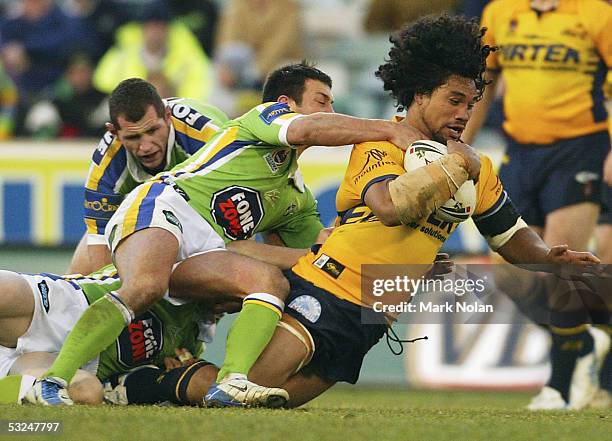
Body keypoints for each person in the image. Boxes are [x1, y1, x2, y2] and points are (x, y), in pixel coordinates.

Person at [206, 13, 602, 409]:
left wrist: (548, 257)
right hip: (328, 289)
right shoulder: (383, 143)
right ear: (420, 95)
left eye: (470, 103)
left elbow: (509, 235)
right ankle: (162, 382)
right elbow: (389, 205)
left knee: (276, 403)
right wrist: (454, 167)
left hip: (377, 313)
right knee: (248, 393)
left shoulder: (476, 167)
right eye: (454, 101)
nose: (464, 114)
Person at [27, 63, 424, 407]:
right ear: (287, 104)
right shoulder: (263, 118)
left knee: (267, 282)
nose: (331, 112)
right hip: (167, 206)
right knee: (145, 285)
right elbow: (310, 128)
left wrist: (390, 256)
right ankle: (53, 378)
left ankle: (231, 382)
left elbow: (315, 257)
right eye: (322, 100)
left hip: (205, 247)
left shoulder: (295, 198)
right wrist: (388, 131)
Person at [461, 0, 612, 410]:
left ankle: (560, 387)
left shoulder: (595, 14)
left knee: (561, 262)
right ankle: (580, 343)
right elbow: (487, 81)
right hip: (521, 153)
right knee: (512, 275)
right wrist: (461, 143)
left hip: (580, 148)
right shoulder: (500, 12)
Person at [67, 78, 229, 275]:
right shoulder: (106, 165)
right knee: (78, 276)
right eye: (133, 137)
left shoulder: (205, 138)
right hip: (151, 209)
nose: (146, 147)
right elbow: (99, 241)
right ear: (114, 132)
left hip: (214, 203)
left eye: (153, 130)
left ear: (168, 116)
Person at [0, 265, 217, 406]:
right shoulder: (169, 263)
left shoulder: (192, 345)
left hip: (73, 362)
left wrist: (158, 372)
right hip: (66, 308)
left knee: (87, 393)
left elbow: (140, 381)